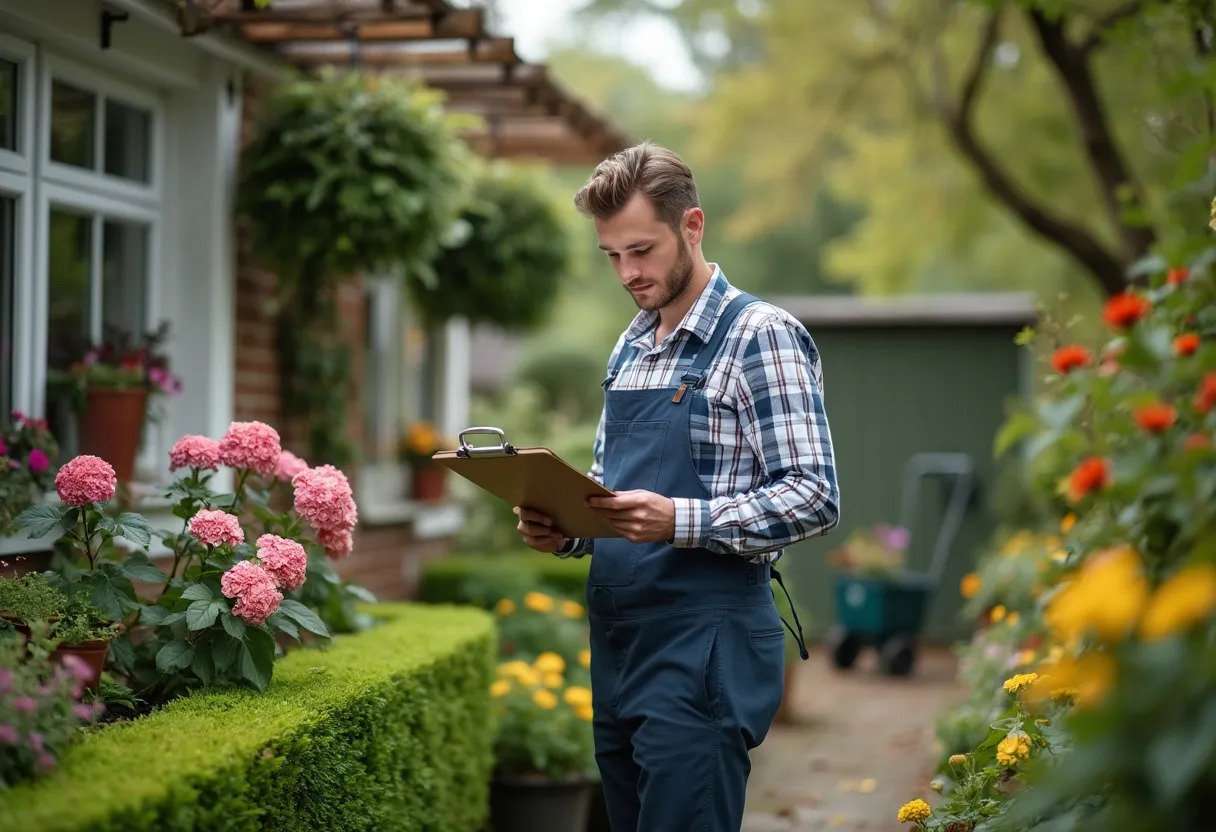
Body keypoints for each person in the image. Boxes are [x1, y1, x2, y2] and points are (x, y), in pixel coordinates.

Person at [513, 142, 840, 832]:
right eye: (612, 256)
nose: (628, 273)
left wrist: (680, 521)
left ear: (692, 226)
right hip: (620, 640)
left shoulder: (761, 336)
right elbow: (614, 494)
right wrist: (568, 525)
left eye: (642, 250)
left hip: (704, 646)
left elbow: (814, 494)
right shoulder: (630, 346)